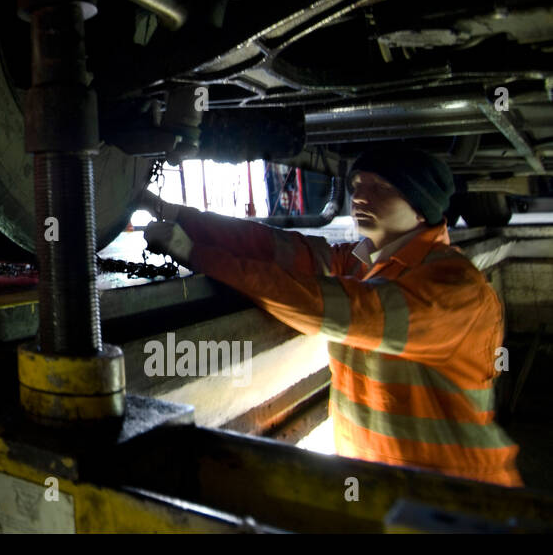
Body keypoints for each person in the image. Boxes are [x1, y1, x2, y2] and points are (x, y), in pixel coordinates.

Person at [139, 145, 522, 487]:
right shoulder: (365, 262)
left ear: (422, 207)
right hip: (382, 488)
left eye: (381, 186)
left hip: (457, 501)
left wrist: (199, 255)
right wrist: (176, 215)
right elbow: (280, 249)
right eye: (357, 183)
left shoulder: (455, 288)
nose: (360, 194)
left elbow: (347, 310)